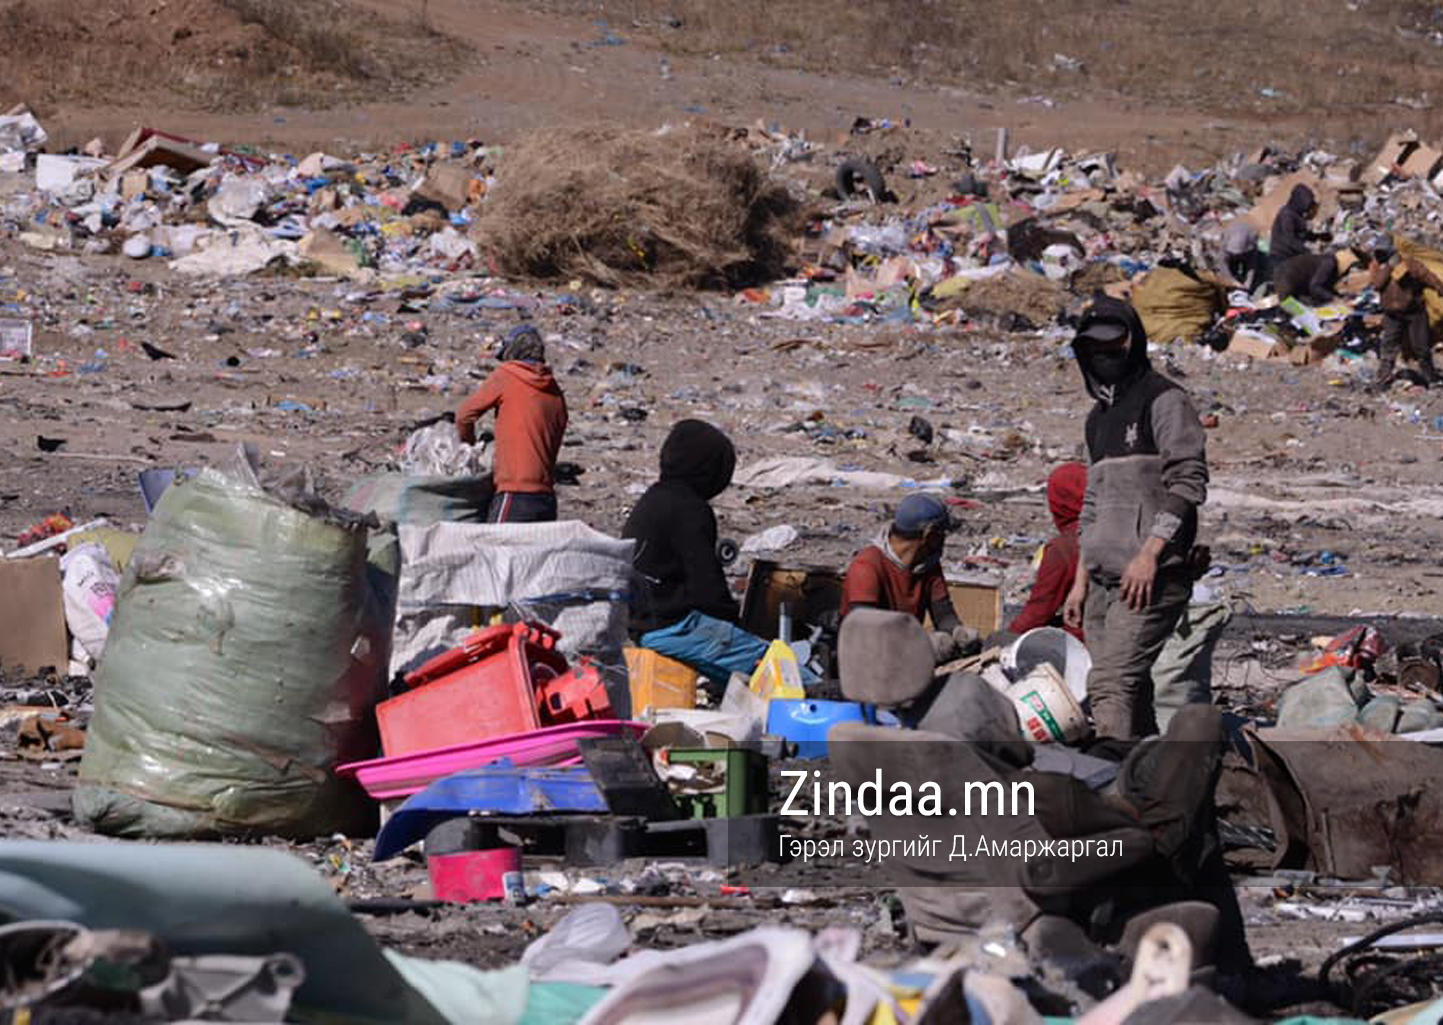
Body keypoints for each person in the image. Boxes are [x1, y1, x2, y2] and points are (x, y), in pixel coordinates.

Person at [1063, 297, 1209, 741]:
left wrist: (1150, 554)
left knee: (1110, 684)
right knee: (1131, 687)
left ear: (1134, 343)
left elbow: (1188, 483)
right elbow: (1092, 504)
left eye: (1114, 346)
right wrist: (1080, 580)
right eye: (1095, 349)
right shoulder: (1097, 420)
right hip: (1102, 581)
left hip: (1151, 576)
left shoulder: (1164, 400)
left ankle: (1112, 776)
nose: (1105, 356)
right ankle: (1146, 769)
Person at [622, 419, 768, 682]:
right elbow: (706, 584)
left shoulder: (652, 499)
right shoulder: (690, 509)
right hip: (676, 626)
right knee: (783, 670)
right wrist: (738, 628)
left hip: (642, 623)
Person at [841, 493, 980, 664]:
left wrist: (957, 631)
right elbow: (865, 635)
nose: (943, 540)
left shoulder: (927, 564)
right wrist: (920, 647)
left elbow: (943, 614)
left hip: (903, 659)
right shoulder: (867, 566)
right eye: (942, 534)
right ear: (929, 535)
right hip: (865, 664)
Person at [455, 324, 568, 523]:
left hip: (515, 493)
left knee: (495, 544)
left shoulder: (508, 375)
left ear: (512, 351)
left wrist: (469, 448)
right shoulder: (555, 390)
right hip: (546, 498)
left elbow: (464, 416)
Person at [1008, 462, 1087, 642]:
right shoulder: (1113, 533)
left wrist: (1007, 638)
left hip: (1080, 643)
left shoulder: (1063, 548)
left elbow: (1038, 613)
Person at [1369, 236, 1443, 390]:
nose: (1380, 255)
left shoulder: (1409, 263)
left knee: (1421, 346)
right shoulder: (1378, 267)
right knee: (1389, 346)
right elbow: (1377, 284)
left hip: (1414, 312)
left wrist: (1439, 287)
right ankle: (1382, 378)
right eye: (1378, 252)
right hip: (1391, 314)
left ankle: (1432, 378)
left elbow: (1426, 275)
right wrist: (1389, 267)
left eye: (1383, 252)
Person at [1268, 183, 1321, 266]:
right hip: (1281, 256)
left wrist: (1318, 237)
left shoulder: (1297, 214)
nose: (1306, 208)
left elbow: (1302, 234)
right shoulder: (1286, 214)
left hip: (1291, 255)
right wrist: (1308, 251)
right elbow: (1289, 240)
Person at [1219, 220, 1269, 295]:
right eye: (1234, 254)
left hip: (1248, 252)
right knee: (1231, 270)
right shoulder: (1225, 244)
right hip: (1230, 253)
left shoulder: (1251, 248)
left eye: (1239, 254)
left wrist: (1247, 284)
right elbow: (1223, 264)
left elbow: (1251, 266)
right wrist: (1232, 282)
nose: (1236, 255)